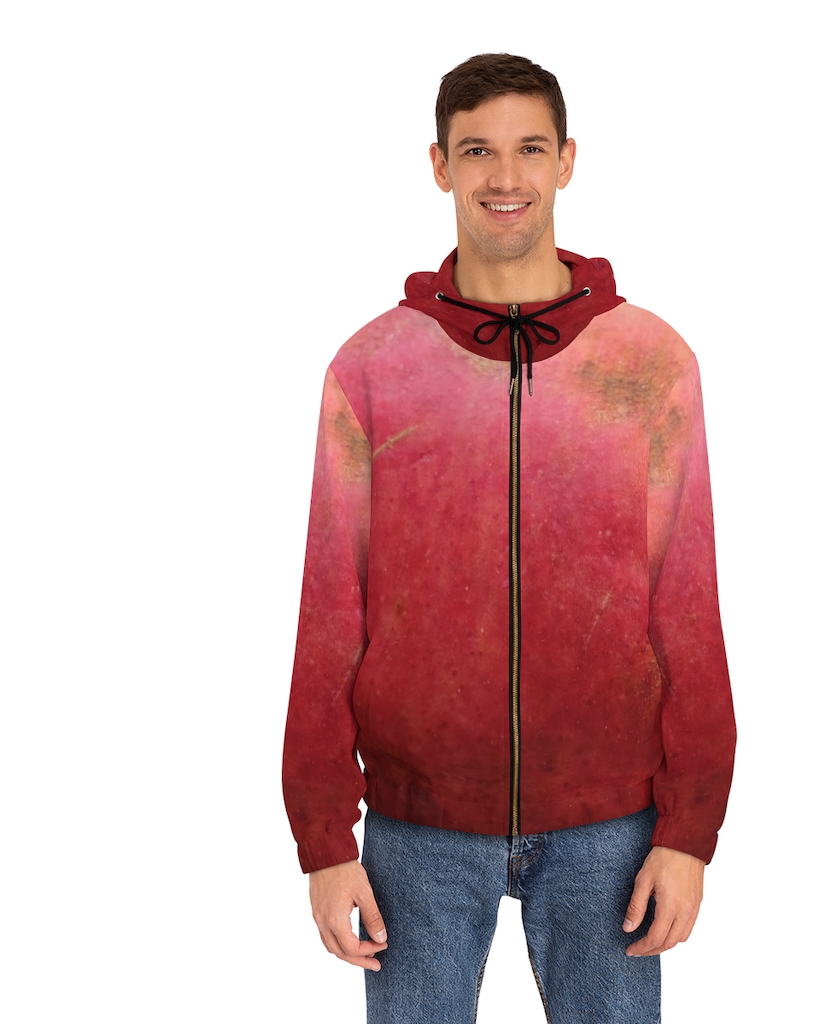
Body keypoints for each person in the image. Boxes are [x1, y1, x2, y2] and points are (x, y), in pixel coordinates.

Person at [282, 53, 736, 1024]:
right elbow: (330, 608)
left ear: (566, 161)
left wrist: (689, 828)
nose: (505, 175)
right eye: (478, 150)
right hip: (417, 824)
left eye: (530, 148)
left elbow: (687, 604)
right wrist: (323, 839)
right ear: (439, 164)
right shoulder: (373, 368)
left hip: (609, 823)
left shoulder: (648, 362)